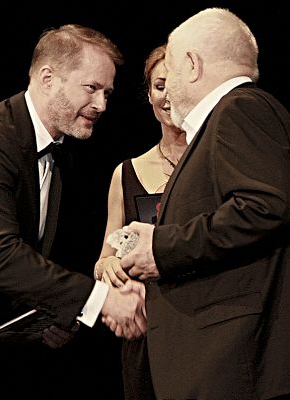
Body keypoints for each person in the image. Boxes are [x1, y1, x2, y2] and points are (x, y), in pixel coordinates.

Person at [105, 7, 290, 400]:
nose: (168, 90)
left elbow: (263, 208)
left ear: (191, 65)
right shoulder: (235, 116)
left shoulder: (239, 109)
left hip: (248, 366)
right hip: (244, 366)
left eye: (172, 70)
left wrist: (160, 248)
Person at [0, 24, 146, 399]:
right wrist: (98, 300)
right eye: (91, 88)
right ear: (47, 78)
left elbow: (18, 258)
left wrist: (49, 315)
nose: (102, 105)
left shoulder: (55, 152)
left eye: (107, 93)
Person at [94, 44, 187, 400]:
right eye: (159, 86)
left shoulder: (214, 165)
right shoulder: (126, 173)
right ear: (148, 94)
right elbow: (104, 259)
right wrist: (110, 269)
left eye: (176, 85)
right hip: (146, 334)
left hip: (201, 327)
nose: (168, 96)